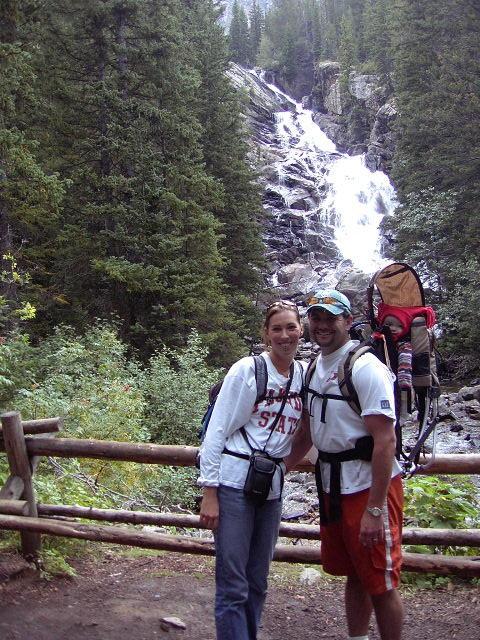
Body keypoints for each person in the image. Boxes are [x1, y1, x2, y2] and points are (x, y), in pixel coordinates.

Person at [285, 289, 404, 640]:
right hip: (333, 487)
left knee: (381, 583)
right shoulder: (312, 368)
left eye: (330, 318)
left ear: (348, 322)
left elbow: (386, 441)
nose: (322, 325)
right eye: (316, 317)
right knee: (357, 572)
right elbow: (307, 434)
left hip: (369, 489)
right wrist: (279, 470)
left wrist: (376, 510)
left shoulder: (366, 368)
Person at [198, 300, 305, 640]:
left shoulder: (303, 374)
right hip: (231, 486)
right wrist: (209, 491)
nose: (284, 335)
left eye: (291, 327)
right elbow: (216, 430)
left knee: (258, 581)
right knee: (233, 584)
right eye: (277, 328)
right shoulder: (247, 370)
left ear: (301, 330)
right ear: (266, 334)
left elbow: (307, 432)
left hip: (270, 489)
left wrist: (283, 468)